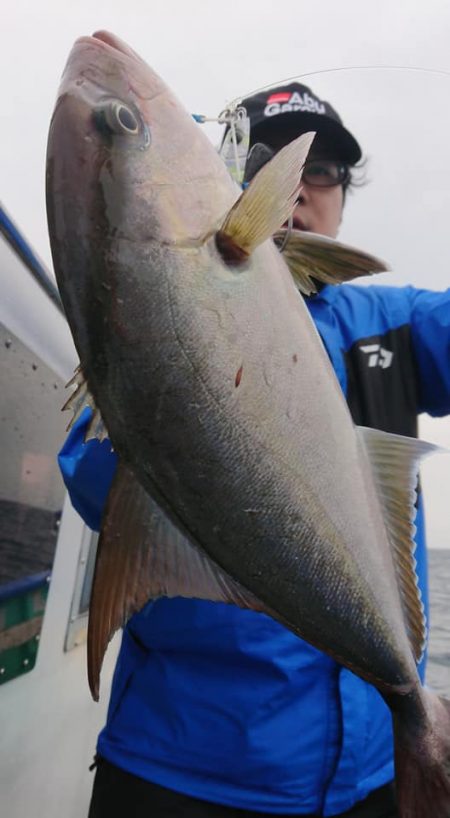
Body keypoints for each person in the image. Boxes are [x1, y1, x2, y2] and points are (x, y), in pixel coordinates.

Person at [58, 81, 450, 818]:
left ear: (343, 195)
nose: (300, 187)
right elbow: (92, 476)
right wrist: (163, 320)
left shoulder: (389, 324)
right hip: (180, 775)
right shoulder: (140, 315)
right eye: (269, 160)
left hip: (372, 776)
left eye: (323, 170)